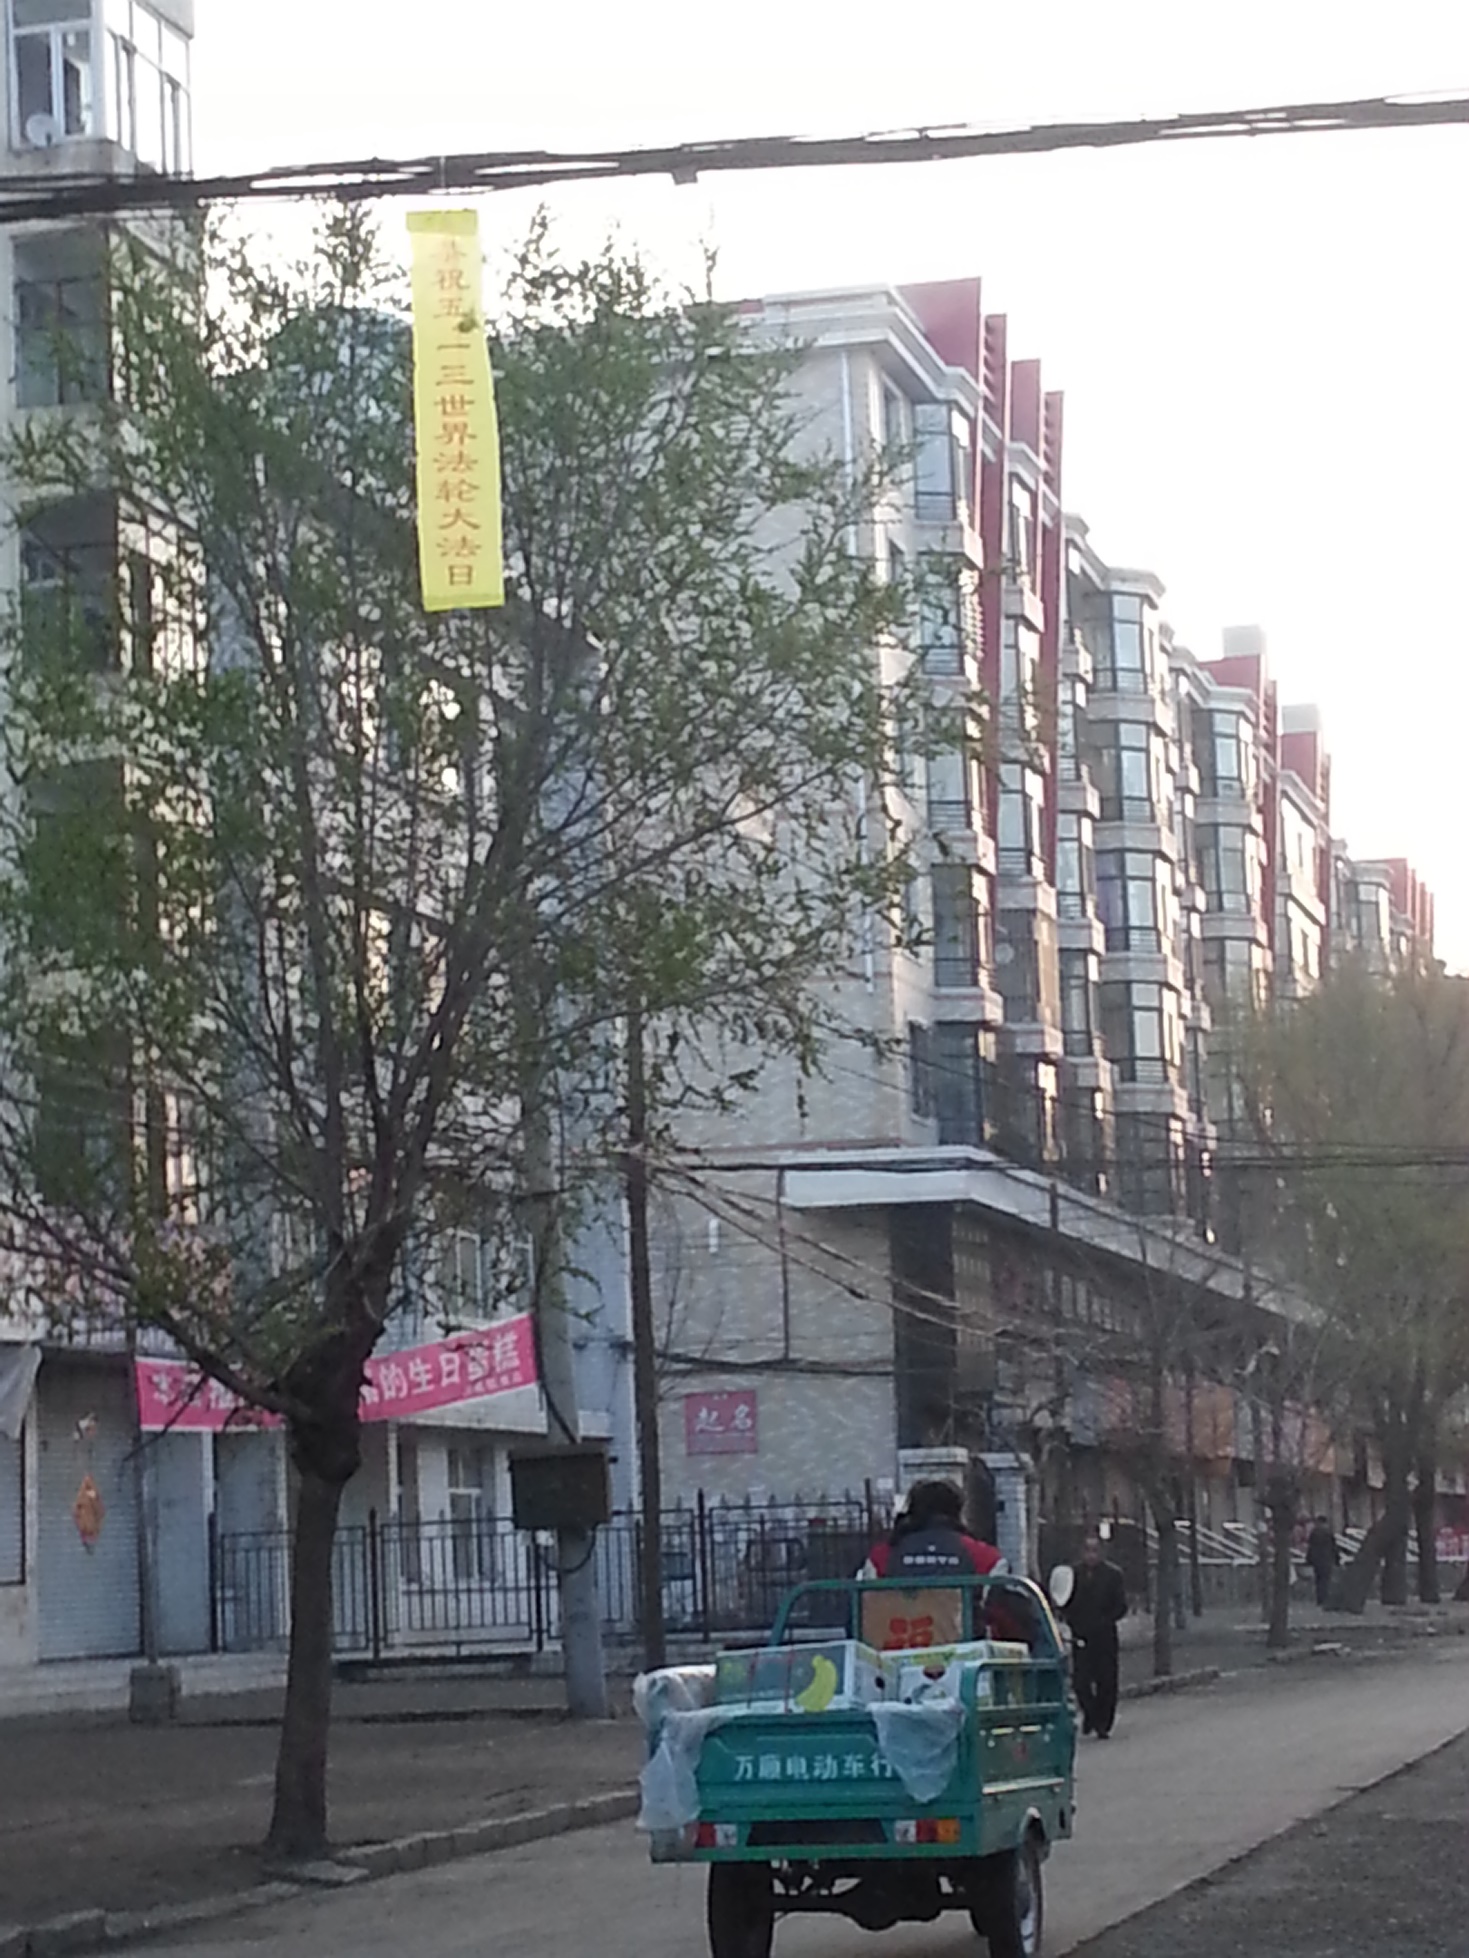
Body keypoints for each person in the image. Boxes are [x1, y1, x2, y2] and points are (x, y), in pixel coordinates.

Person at [1065, 1534, 1127, 1738]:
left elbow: (1120, 1606)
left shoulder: (1113, 1575)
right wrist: (1071, 1619)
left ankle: (1103, 1723)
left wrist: (1106, 1620)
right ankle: (1090, 1713)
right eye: (1087, 1550)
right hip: (1081, 1634)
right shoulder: (1073, 1574)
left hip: (1104, 1635)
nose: (1091, 1555)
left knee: (1106, 1681)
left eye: (1095, 1551)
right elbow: (1065, 1600)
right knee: (1081, 1681)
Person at [1305, 1515, 1340, 1608]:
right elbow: (1334, 1547)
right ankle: (1324, 1598)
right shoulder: (1328, 1533)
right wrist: (1337, 1559)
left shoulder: (1314, 1533)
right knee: (1325, 1580)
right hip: (1327, 1559)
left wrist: (1308, 1559)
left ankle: (1320, 1598)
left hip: (1317, 1559)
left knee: (1318, 1579)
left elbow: (1311, 1547)